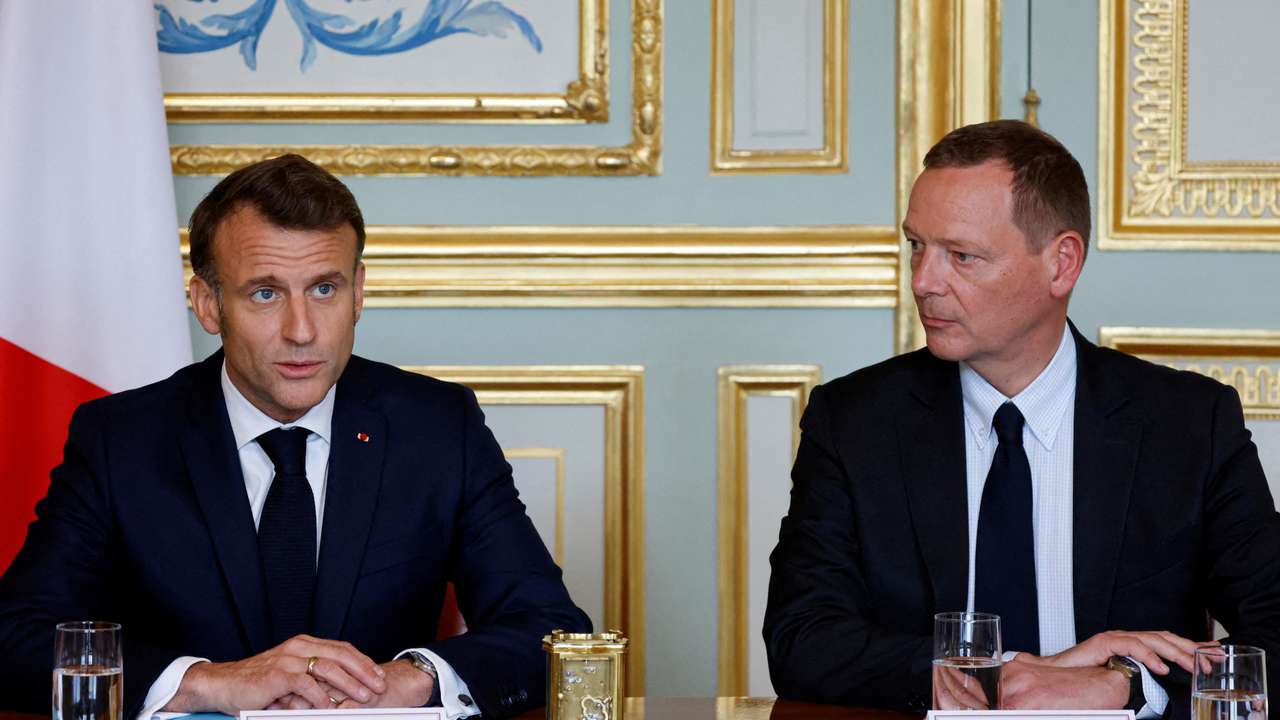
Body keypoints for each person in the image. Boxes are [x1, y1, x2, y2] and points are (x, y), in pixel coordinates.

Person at [0, 154, 590, 719]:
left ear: (359, 291)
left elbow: (552, 631)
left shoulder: (437, 427)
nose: (302, 331)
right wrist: (207, 682)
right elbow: (14, 639)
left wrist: (412, 679)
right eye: (265, 292)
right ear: (208, 303)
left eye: (325, 289)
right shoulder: (121, 440)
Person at [763, 120, 1280, 718]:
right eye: (916, 246)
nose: (923, 282)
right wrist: (1004, 676)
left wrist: (1129, 686)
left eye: (962, 255)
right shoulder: (854, 420)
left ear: (1062, 263)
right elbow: (801, 638)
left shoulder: (1189, 424)